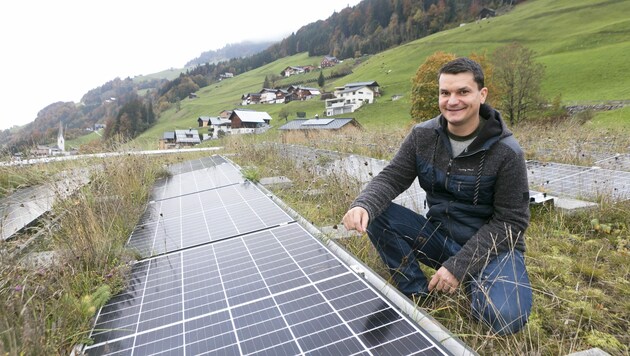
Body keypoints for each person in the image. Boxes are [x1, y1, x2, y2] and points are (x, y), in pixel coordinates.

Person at [342, 57, 532, 335]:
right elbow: (392, 177)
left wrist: (460, 266)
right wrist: (363, 206)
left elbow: (512, 223)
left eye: (463, 92)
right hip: (439, 237)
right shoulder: (423, 136)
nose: (452, 101)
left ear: (482, 94)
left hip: (491, 250)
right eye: (445, 93)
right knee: (377, 211)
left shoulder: (507, 152)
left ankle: (474, 283)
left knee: (506, 317)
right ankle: (418, 294)